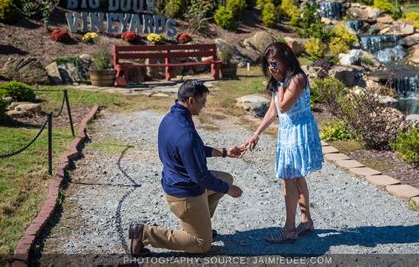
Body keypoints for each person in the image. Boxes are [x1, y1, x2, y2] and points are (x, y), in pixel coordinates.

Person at [129, 79, 244, 256]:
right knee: (201, 245)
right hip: (184, 194)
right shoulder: (186, 134)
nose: (204, 106)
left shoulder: (172, 117)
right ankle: (144, 233)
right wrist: (228, 189)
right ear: (191, 101)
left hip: (175, 182)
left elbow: (192, 151)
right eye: (202, 101)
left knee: (226, 177)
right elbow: (201, 177)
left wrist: (224, 152)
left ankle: (200, 223)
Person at [244, 42, 323, 243]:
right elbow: (273, 111)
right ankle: (306, 221)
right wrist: (257, 133)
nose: (271, 68)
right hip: (289, 132)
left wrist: (279, 84)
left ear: (286, 59)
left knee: (289, 180)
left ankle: (289, 229)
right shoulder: (280, 80)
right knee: (296, 177)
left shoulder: (296, 79)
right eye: (269, 64)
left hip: (298, 132)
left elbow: (284, 106)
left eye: (274, 63)